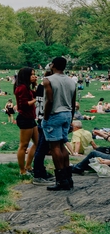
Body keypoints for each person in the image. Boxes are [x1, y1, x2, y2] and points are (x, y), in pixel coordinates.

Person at [42, 57, 78, 191]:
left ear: (53, 66)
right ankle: (68, 178)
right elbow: (73, 103)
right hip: (67, 114)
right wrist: (71, 118)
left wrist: (45, 117)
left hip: (54, 114)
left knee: (55, 146)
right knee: (62, 145)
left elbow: (49, 100)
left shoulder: (48, 80)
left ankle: (61, 180)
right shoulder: (71, 81)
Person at [14, 67, 39, 176]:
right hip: (25, 118)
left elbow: (35, 94)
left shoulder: (26, 87)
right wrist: (35, 101)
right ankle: (22, 170)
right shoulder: (22, 88)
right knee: (23, 146)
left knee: (38, 143)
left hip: (31, 118)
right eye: (31, 74)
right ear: (25, 76)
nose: (34, 76)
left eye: (34, 74)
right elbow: (22, 105)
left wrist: (35, 85)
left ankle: (28, 165)